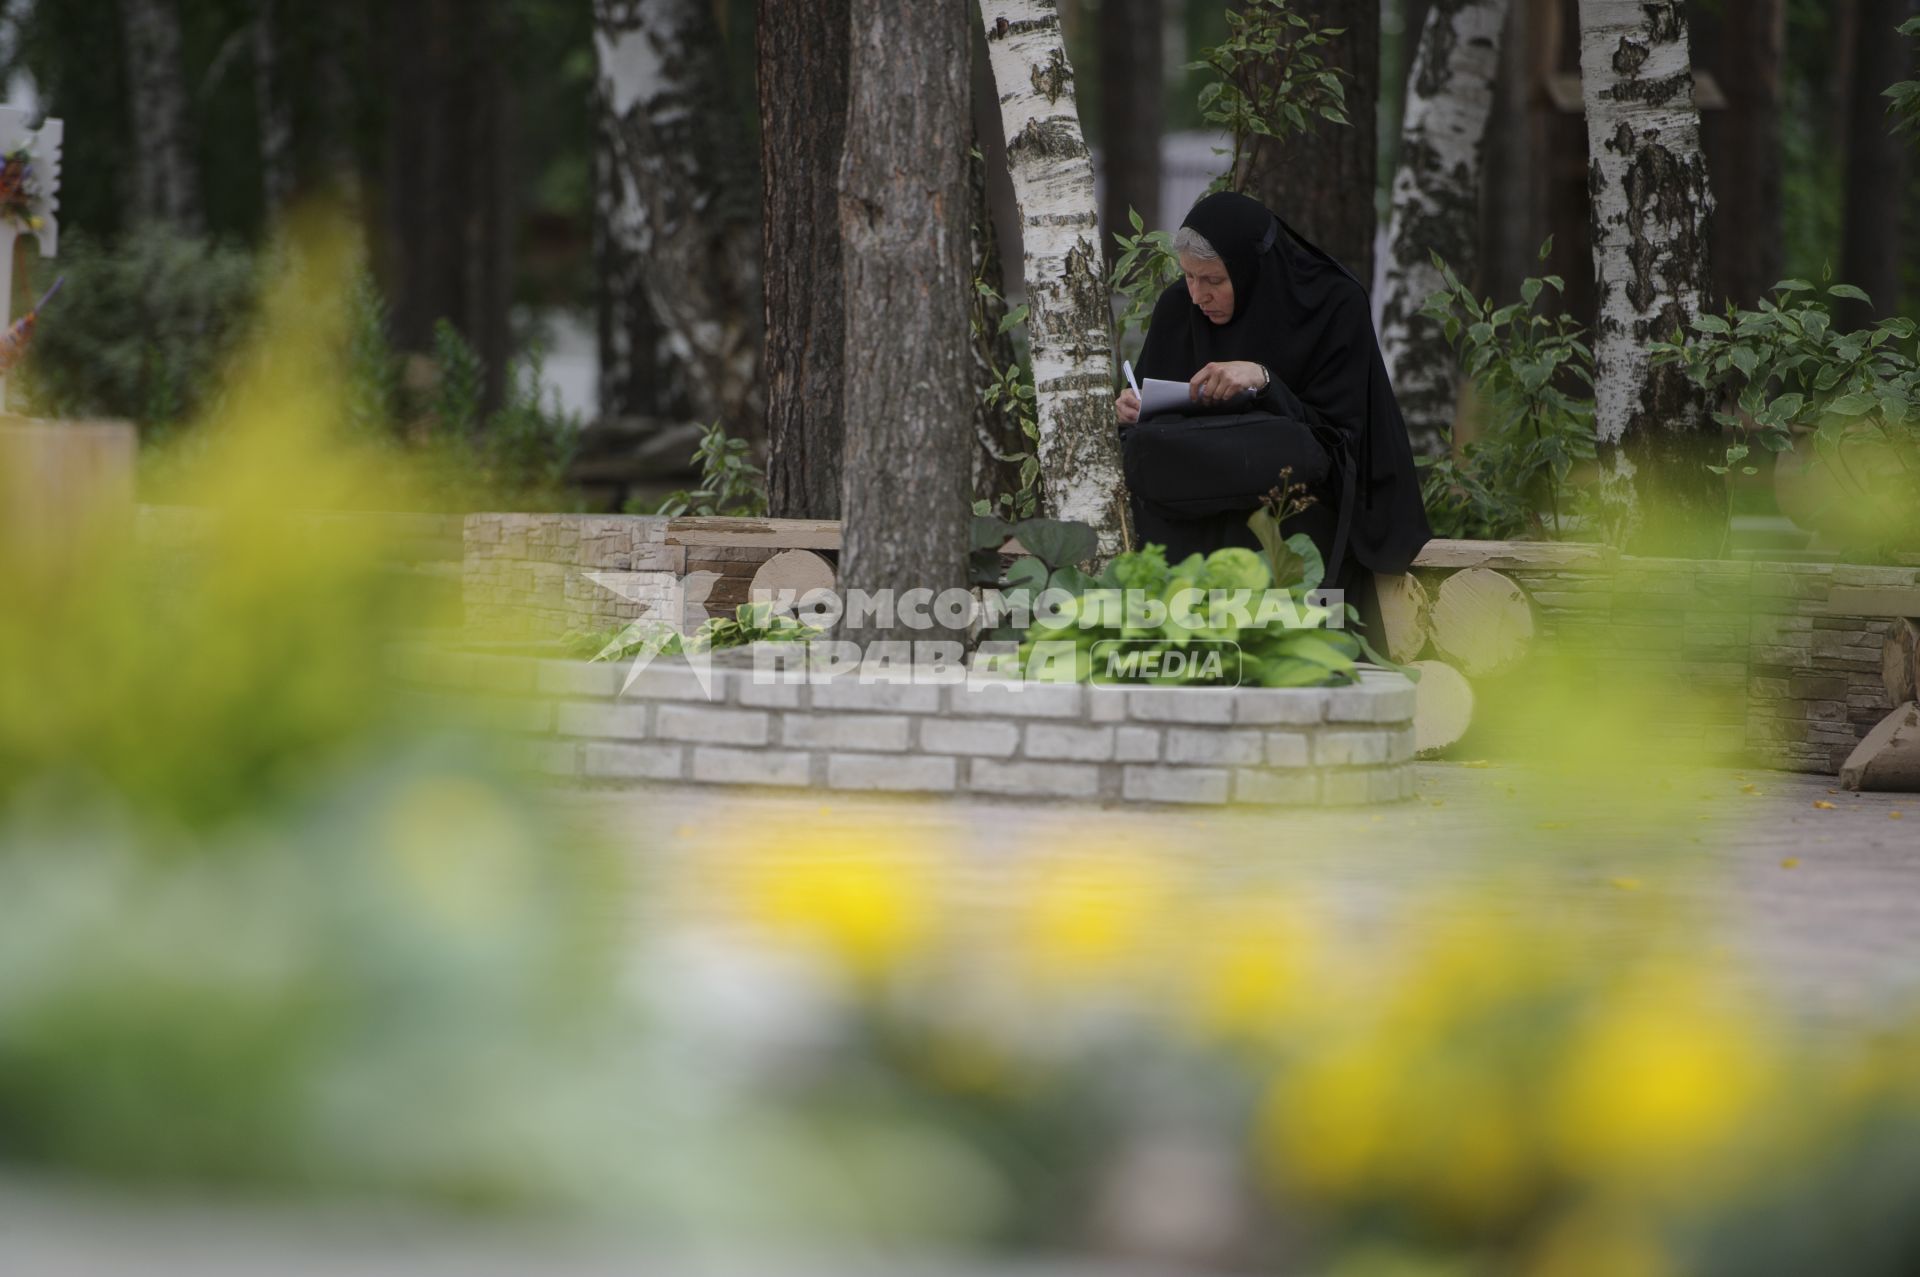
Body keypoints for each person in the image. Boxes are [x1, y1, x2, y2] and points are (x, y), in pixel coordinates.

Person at [1114, 190, 1433, 653]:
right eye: (1188, 277)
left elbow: (1344, 439)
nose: (1198, 295)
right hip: (1193, 498)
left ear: (1250, 268)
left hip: (1295, 504)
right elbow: (1150, 418)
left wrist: (1264, 381)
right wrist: (1131, 410)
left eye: (1214, 280)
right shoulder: (1177, 309)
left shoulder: (1332, 304)